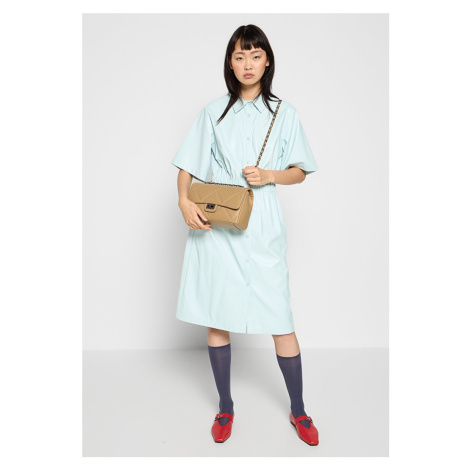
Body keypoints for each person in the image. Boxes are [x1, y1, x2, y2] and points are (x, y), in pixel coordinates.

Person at [171, 24, 320, 446]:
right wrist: (183, 201)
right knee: (218, 316)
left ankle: (299, 410)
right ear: (230, 63)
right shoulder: (213, 112)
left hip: (263, 221)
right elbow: (187, 165)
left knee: (280, 318)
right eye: (239, 56)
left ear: (267, 61)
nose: (247, 64)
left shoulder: (284, 113)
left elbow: (300, 171)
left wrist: (270, 174)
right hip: (220, 224)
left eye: (255, 55)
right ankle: (225, 406)